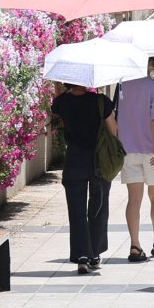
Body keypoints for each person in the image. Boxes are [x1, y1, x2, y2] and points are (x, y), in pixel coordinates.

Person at [51, 84, 116, 274]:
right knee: (99, 206)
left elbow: (57, 107)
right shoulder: (101, 101)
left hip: (74, 161)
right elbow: (114, 131)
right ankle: (94, 253)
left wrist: (58, 86)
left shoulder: (62, 101)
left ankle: (82, 256)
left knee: (76, 211)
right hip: (98, 161)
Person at [117, 56, 154, 263]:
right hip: (152, 150)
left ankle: (135, 245)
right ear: (153, 63)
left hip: (128, 149)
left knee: (134, 199)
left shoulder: (122, 86)